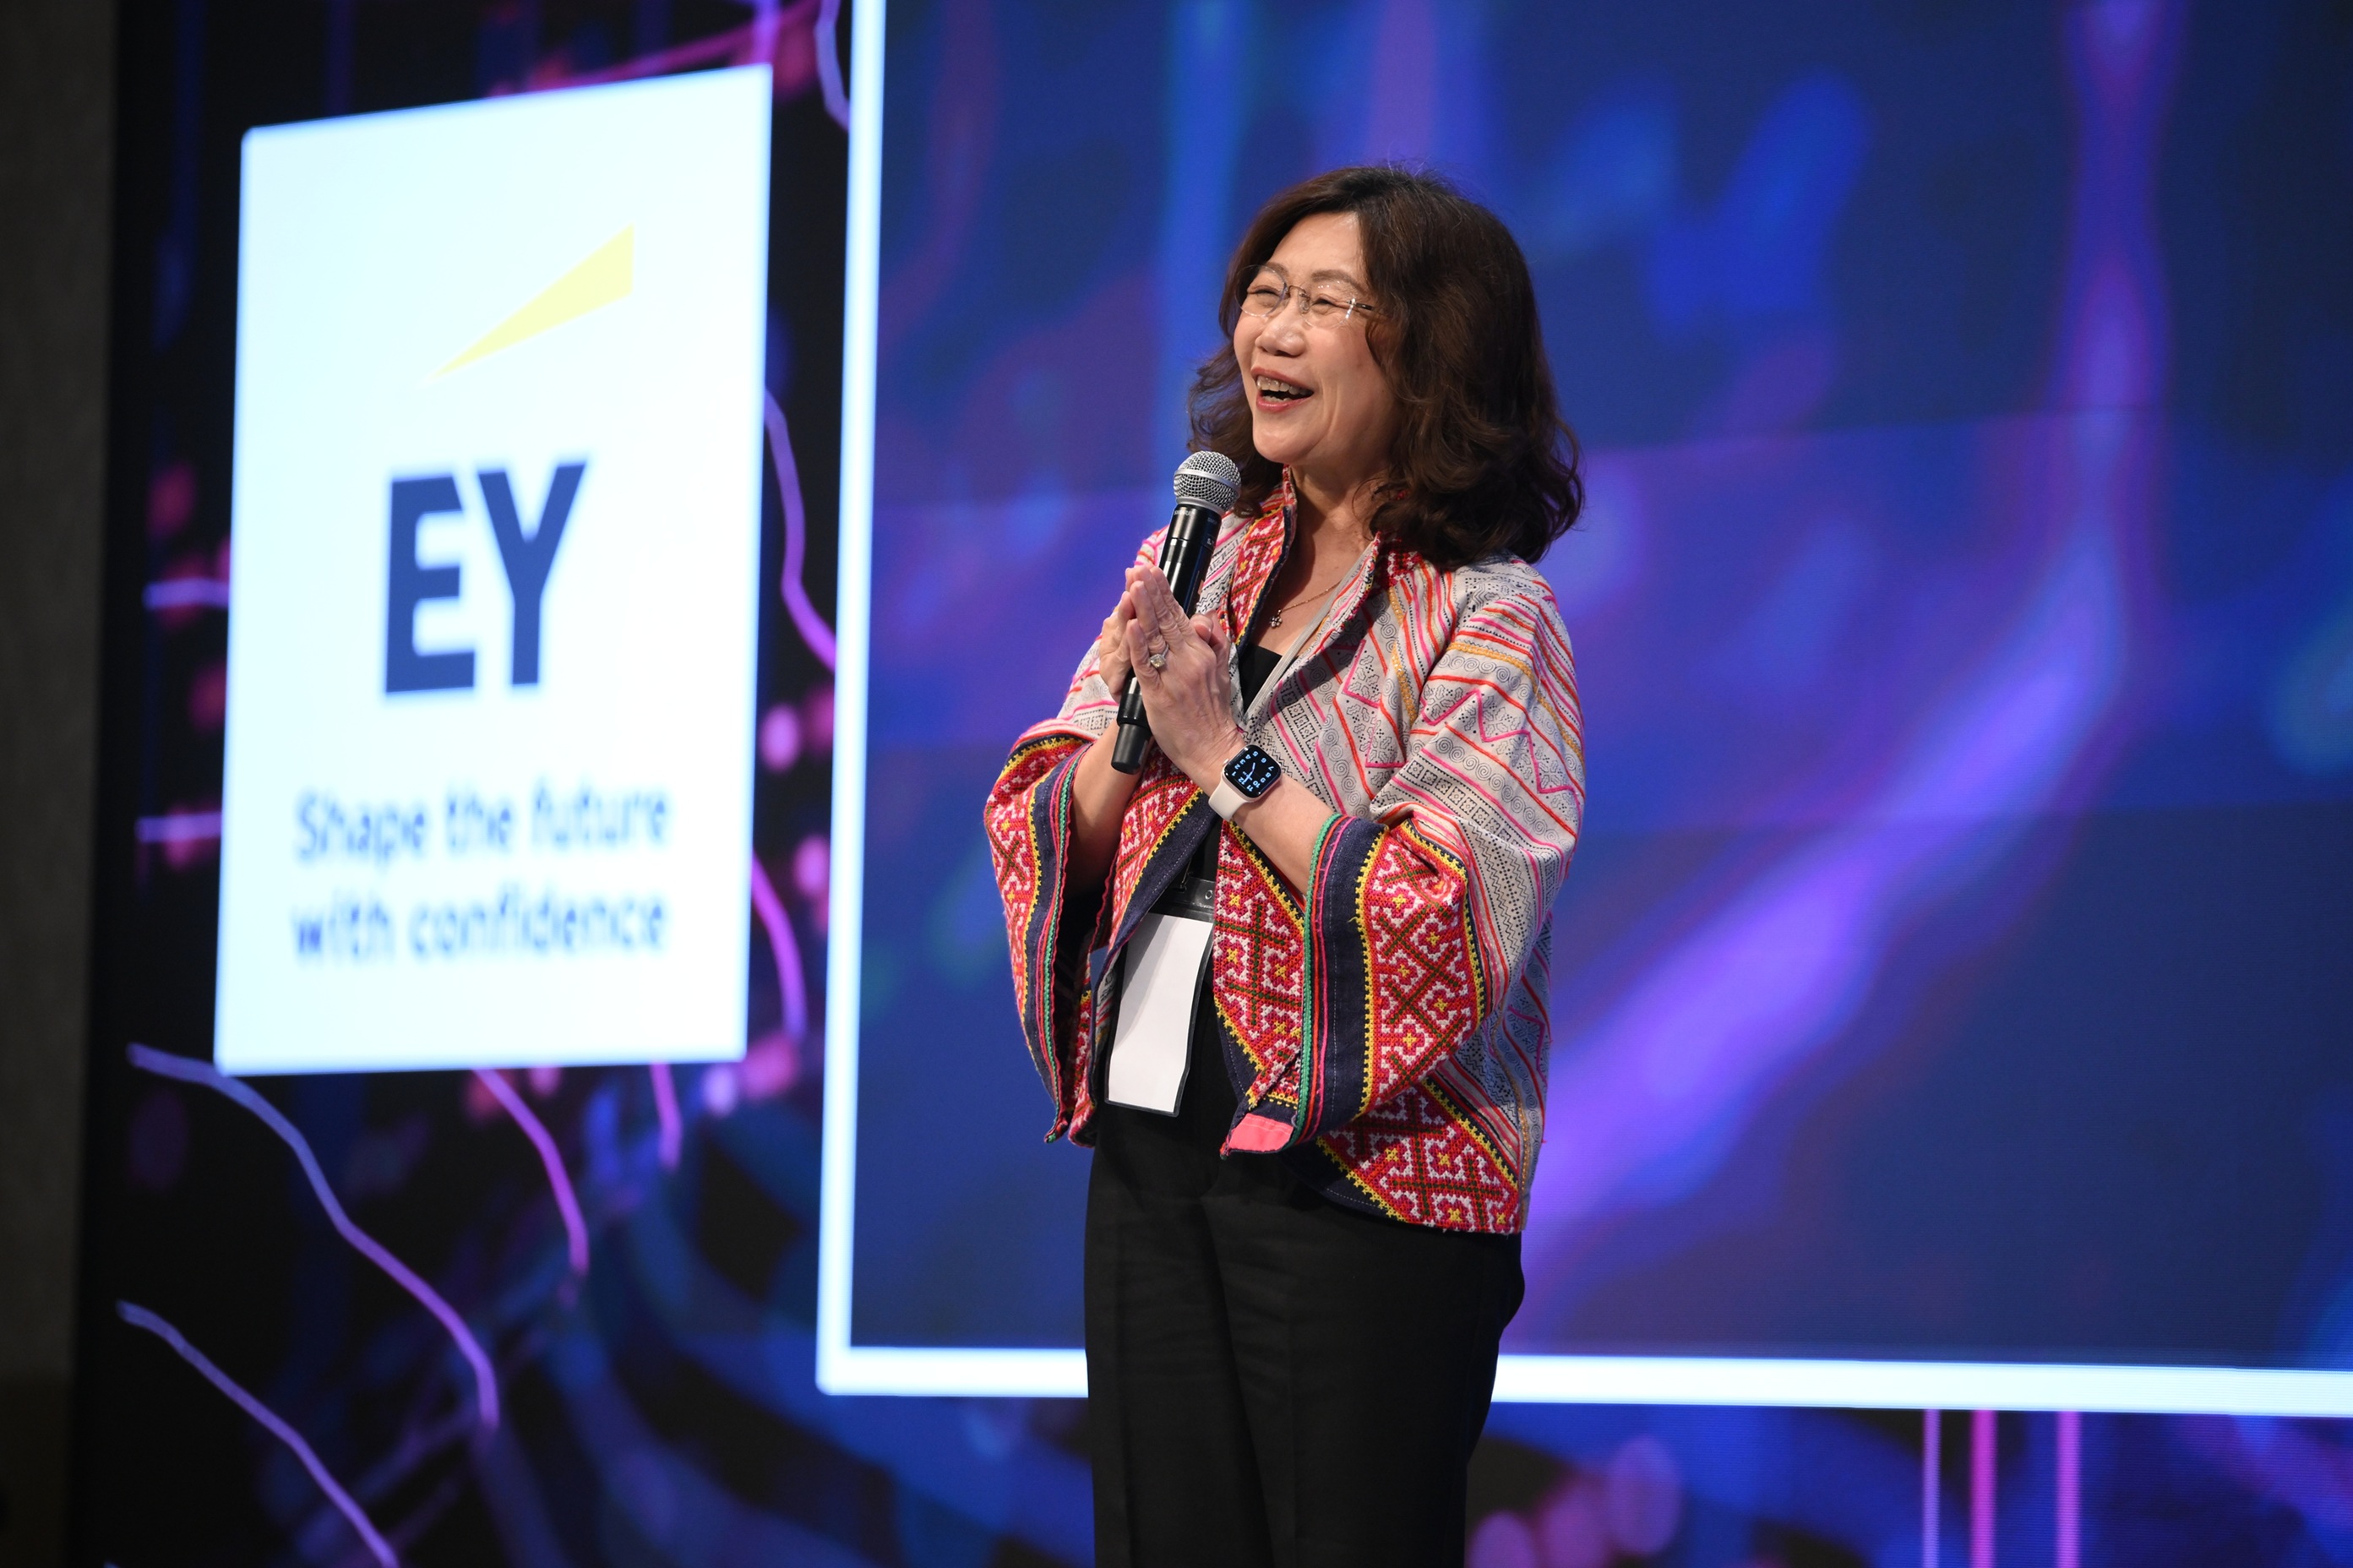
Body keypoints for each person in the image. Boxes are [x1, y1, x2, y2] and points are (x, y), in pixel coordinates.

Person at [985, 165, 1585, 1568]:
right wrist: (1133, 743)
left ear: (1427, 351)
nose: (1273, 331)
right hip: (1155, 1135)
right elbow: (1043, 827)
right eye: (1263, 296)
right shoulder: (1194, 558)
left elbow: (1443, 909)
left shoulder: (1488, 614)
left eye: (1324, 302)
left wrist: (1222, 754)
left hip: (1368, 1174)